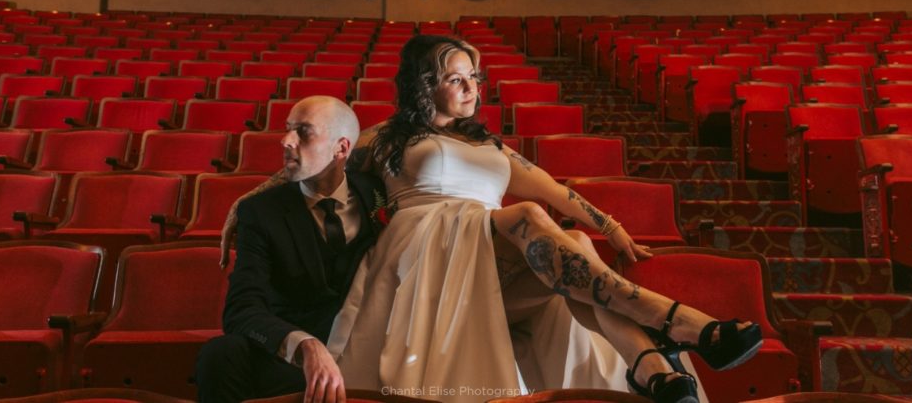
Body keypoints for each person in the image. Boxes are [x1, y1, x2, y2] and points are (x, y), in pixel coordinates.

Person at [222, 36, 762, 403]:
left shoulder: (491, 146)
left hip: (496, 256)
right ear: (425, 84)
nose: (472, 88)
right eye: (457, 79)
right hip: (427, 257)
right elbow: (321, 159)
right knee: (525, 214)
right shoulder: (389, 137)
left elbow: (559, 191)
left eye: (475, 78)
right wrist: (245, 202)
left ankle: (649, 368)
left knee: (568, 233)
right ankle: (679, 329)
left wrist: (609, 226)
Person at [196, 96, 386, 403]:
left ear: (341, 148)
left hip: (369, 347)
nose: (285, 140)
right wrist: (304, 346)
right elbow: (241, 309)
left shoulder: (379, 194)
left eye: (303, 131)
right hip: (293, 360)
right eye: (287, 129)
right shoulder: (260, 212)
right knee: (220, 354)